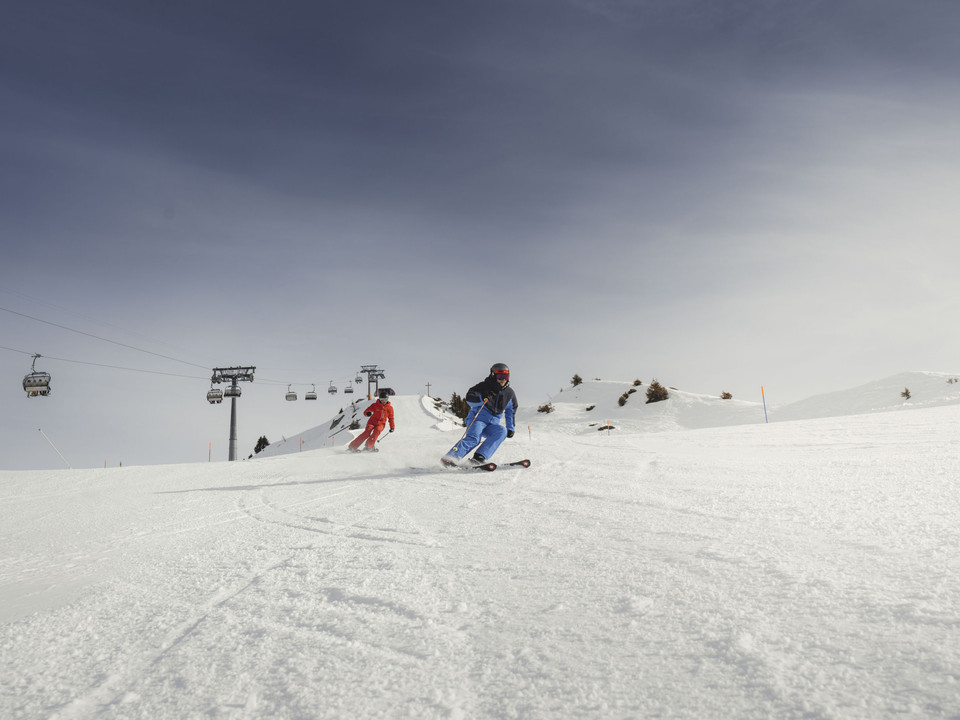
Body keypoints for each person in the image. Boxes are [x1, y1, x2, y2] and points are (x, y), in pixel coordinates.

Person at [442, 363, 517, 466]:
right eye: (500, 377)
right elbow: (469, 399)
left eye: (506, 377)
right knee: (474, 439)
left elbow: (511, 410)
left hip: (492, 424)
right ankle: (450, 458)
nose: (503, 380)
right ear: (493, 375)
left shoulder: (509, 393)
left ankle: (479, 457)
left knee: (501, 431)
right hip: (477, 420)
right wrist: (482, 397)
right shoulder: (483, 386)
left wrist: (510, 428)